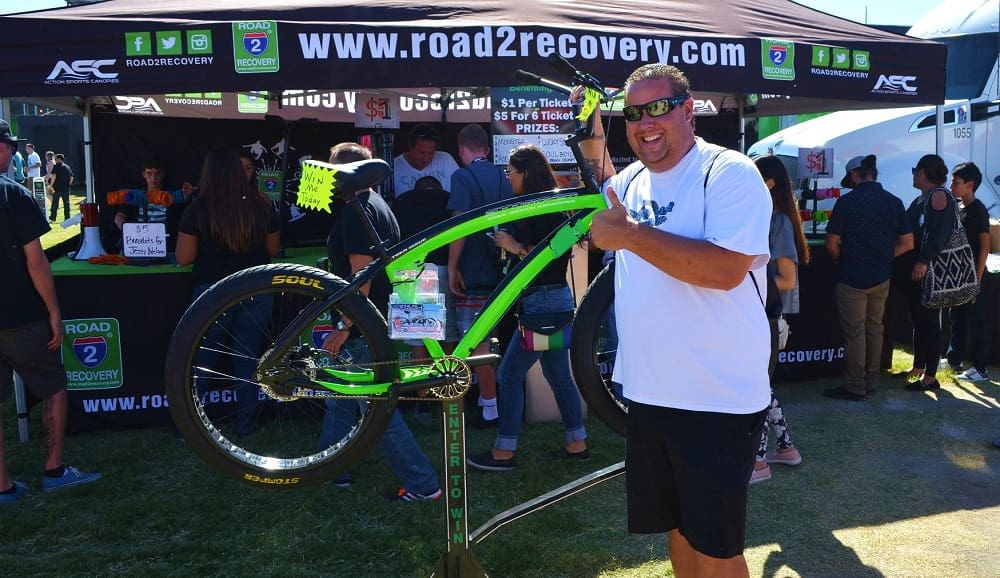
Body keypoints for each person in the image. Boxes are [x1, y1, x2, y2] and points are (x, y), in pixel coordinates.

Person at [579, 64, 772, 576]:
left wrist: (633, 237)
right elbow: (601, 177)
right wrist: (591, 126)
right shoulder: (631, 180)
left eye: (657, 108)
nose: (644, 122)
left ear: (688, 110)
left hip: (717, 397)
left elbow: (727, 269)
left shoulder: (728, 172)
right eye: (634, 113)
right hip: (650, 393)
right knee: (679, 533)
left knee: (717, 548)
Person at [319, 142, 442, 502]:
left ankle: (424, 485)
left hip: (361, 325)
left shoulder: (356, 210)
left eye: (332, 170)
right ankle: (332, 467)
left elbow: (362, 277)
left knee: (378, 410)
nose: (328, 177)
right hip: (374, 320)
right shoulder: (377, 204)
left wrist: (343, 328)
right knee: (341, 398)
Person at [466, 144, 588, 472]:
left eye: (511, 171)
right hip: (553, 300)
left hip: (542, 302)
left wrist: (514, 246)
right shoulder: (551, 203)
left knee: (509, 374)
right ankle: (577, 443)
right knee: (558, 375)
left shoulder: (543, 207)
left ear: (525, 173)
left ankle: (504, 452)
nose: (508, 177)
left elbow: (552, 253)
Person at [0, 119, 101, 503]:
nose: (11, 153)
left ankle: (3, 485)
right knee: (54, 387)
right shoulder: (12, 194)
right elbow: (36, 262)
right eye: (8, 146)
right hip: (21, 317)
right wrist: (54, 311)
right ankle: (53, 469)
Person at [175, 147, 280, 435]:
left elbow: (183, 257)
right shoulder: (261, 205)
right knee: (248, 358)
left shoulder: (197, 209)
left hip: (213, 292)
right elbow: (273, 249)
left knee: (203, 357)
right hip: (255, 286)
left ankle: (191, 426)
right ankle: (246, 424)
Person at [823, 154, 913, 401]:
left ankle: (854, 385)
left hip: (851, 277)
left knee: (855, 333)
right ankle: (871, 382)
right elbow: (908, 243)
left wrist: (845, 259)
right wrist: (884, 256)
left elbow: (831, 244)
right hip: (881, 276)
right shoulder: (894, 202)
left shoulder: (847, 202)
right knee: (875, 329)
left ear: (854, 175)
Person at [447, 123, 514, 429]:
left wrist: (451, 266)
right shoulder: (503, 176)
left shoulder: (462, 176)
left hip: (472, 269)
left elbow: (458, 225)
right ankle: (490, 402)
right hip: (500, 269)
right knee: (488, 338)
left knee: (475, 343)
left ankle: (489, 406)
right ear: (486, 149)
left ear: (462, 150)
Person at [749, 155, 808, 484]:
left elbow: (788, 278)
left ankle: (758, 464)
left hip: (768, 320)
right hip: (761, 318)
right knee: (761, 388)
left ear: (769, 183)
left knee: (756, 390)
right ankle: (785, 448)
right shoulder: (763, 217)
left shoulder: (779, 221)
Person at [900, 154, 957, 392]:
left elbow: (939, 234)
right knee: (919, 320)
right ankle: (918, 367)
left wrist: (923, 261)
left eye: (915, 170)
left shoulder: (940, 196)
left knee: (930, 322)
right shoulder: (922, 198)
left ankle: (931, 377)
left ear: (922, 172)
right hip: (918, 272)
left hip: (931, 271)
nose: (913, 174)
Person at [944, 162, 990, 382]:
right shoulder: (958, 207)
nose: (952, 185)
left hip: (974, 277)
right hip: (958, 275)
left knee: (976, 322)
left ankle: (980, 368)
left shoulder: (978, 210)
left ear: (970, 185)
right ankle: (954, 359)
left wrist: (977, 279)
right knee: (957, 317)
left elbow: (985, 245)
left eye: (956, 182)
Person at [104, 158, 195, 252]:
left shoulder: (170, 197)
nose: (153, 178)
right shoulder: (135, 196)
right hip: (138, 245)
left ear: (163, 174)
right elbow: (118, 218)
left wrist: (187, 193)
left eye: (157, 173)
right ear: (143, 174)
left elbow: (185, 199)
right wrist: (131, 234)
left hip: (166, 246)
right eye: (149, 173)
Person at [392, 123, 459, 198]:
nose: (426, 158)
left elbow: (461, 192)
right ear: (410, 147)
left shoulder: (446, 160)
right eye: (422, 152)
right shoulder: (394, 167)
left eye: (430, 153)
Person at [49, 153, 73, 223]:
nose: (55, 160)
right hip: (66, 188)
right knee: (66, 204)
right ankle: (67, 218)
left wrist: (51, 185)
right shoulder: (67, 167)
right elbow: (72, 177)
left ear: (59, 159)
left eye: (55, 159)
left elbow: (54, 176)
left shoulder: (56, 166)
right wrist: (68, 184)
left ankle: (53, 217)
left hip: (57, 188)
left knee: (55, 203)